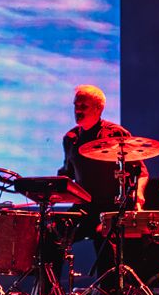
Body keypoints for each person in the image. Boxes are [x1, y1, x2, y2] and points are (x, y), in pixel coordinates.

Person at [60, 84, 150, 280]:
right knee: (52, 236)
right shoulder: (70, 138)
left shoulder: (117, 135)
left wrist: (139, 195)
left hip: (112, 208)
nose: (77, 110)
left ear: (98, 108)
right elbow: (66, 175)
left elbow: (141, 172)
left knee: (106, 239)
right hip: (84, 208)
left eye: (83, 106)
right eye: (76, 105)